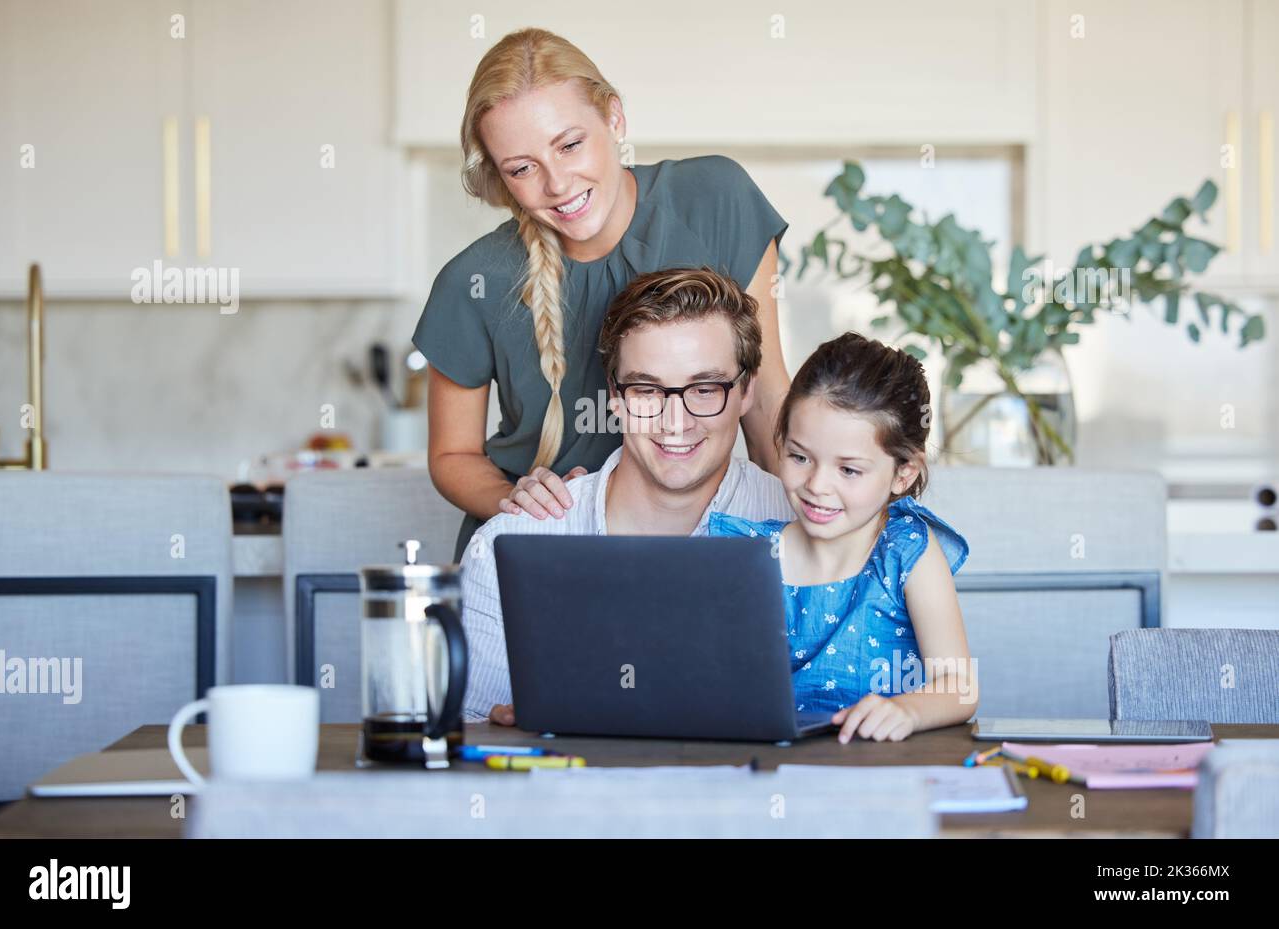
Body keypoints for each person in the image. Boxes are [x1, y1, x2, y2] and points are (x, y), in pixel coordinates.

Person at [412, 27, 791, 562]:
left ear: (613, 118)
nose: (559, 184)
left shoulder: (715, 200)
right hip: (540, 548)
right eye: (522, 169)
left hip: (702, 543)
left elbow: (767, 402)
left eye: (569, 144)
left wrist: (816, 532)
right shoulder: (471, 281)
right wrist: (513, 497)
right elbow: (453, 454)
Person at [460, 267, 794, 724]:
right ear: (615, 396)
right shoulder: (508, 542)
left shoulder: (805, 525)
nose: (675, 421)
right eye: (647, 390)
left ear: (747, 390)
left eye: (704, 389)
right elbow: (471, 732)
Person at [710, 332, 979, 743]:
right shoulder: (742, 551)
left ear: (903, 474)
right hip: (766, 775)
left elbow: (958, 684)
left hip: (876, 776)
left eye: (849, 470)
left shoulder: (907, 553)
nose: (817, 485)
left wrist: (907, 709)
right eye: (800, 457)